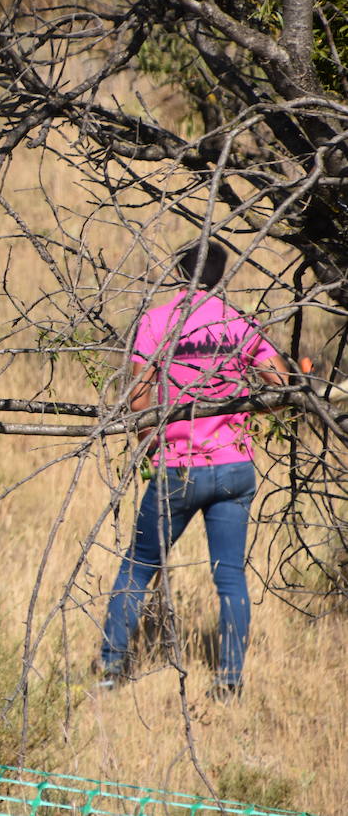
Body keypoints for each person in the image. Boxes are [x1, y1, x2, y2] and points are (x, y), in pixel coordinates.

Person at [98, 239, 290, 699]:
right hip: (235, 466)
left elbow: (139, 395)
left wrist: (149, 446)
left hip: (178, 468)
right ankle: (229, 681)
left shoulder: (157, 321)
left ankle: (108, 672)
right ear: (221, 276)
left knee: (140, 566)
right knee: (230, 577)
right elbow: (280, 385)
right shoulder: (239, 323)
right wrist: (239, 414)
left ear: (179, 272)